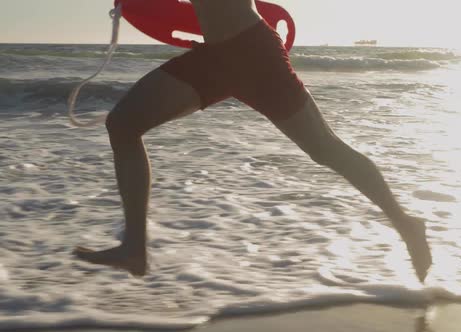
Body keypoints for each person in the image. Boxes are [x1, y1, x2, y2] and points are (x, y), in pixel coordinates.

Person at [73, 0, 432, 282]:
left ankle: (405, 224)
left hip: (254, 54)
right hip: (215, 57)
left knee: (324, 148)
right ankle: (135, 247)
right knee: (123, 124)